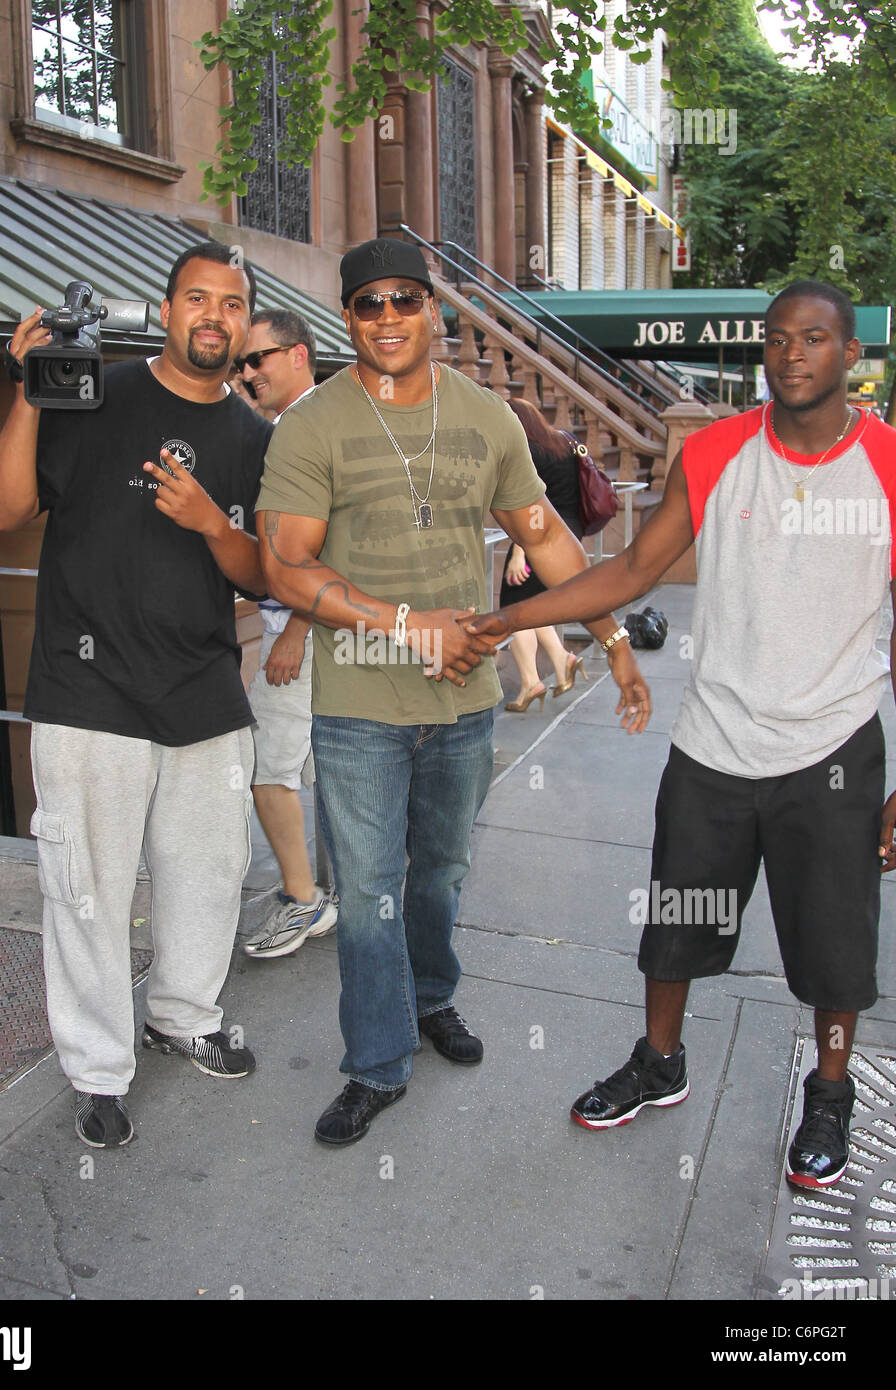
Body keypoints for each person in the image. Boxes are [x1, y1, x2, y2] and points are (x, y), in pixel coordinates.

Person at [470, 279, 896, 1190]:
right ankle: (660, 1061)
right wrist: (512, 619)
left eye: (813, 339)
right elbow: (630, 567)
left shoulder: (888, 468)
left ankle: (828, 1092)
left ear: (850, 356)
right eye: (777, 339)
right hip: (714, 746)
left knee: (833, 946)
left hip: (833, 748)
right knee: (676, 926)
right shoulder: (714, 456)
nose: (790, 354)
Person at [254, 237, 651, 1145]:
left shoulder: (488, 418)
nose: (387, 317)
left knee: (437, 879)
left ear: (432, 309)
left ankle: (431, 1000)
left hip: (464, 707)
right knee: (367, 894)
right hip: (358, 709)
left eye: (404, 299)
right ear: (346, 318)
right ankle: (377, 1063)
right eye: (368, 304)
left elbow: (545, 538)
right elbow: (286, 567)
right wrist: (406, 623)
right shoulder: (312, 425)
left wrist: (616, 639)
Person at [0, 242, 272, 1149]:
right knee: (87, 890)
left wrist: (209, 521)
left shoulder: (257, 438)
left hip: (203, 690)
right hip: (86, 691)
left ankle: (184, 1014)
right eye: (197, 298)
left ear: (245, 322)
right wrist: (32, 390)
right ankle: (98, 1069)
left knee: (209, 873)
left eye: (231, 303)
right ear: (168, 306)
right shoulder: (91, 390)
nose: (213, 316)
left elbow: (268, 573)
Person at [239, 310, 338, 959]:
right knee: (317, 767)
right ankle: (343, 890)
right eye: (242, 363)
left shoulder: (310, 428)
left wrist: (295, 628)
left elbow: (336, 541)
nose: (247, 373)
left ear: (298, 354)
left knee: (265, 771)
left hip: (306, 630)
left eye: (258, 360)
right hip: (328, 632)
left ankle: (304, 900)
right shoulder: (300, 423)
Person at [499, 399, 589, 712]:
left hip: (538, 535)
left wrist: (518, 554)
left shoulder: (530, 453)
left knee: (515, 610)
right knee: (532, 605)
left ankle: (530, 683)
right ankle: (562, 661)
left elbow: (528, 504)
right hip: (568, 531)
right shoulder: (567, 441)